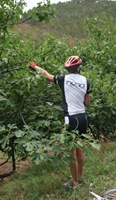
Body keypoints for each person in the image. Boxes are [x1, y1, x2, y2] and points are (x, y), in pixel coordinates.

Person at [29, 56, 91, 188]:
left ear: (68, 69)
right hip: (82, 117)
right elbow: (87, 102)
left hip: (71, 118)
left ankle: (74, 183)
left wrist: (34, 66)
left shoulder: (64, 79)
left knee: (70, 152)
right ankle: (79, 176)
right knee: (79, 149)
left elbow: (45, 74)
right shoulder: (86, 81)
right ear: (79, 68)